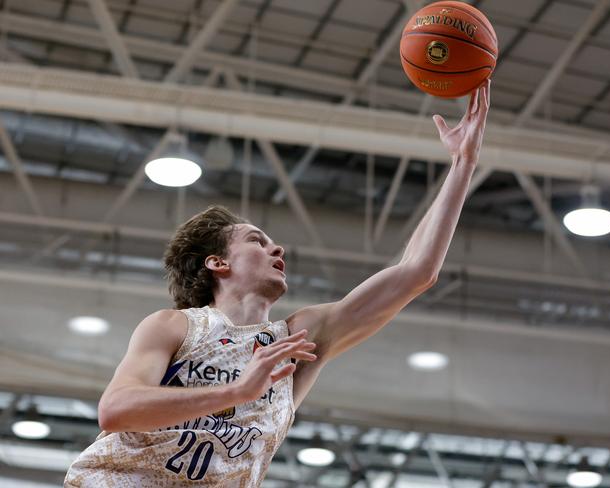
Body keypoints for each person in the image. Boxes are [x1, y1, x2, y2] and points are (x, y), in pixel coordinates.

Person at [64, 80, 490, 487]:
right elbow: (116, 409)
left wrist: (463, 164)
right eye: (256, 241)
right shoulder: (176, 326)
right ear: (217, 262)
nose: (277, 248)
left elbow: (417, 272)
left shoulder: (298, 340)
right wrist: (237, 390)